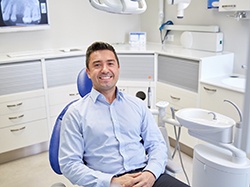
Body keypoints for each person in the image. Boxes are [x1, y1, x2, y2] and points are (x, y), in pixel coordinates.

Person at [59, 41, 190, 187]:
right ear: (88, 73)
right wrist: (112, 182)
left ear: (118, 68)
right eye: (97, 65)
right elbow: (69, 164)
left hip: (145, 176)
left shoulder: (137, 105)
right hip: (106, 182)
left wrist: (151, 173)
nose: (105, 70)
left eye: (110, 63)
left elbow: (157, 145)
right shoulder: (75, 114)